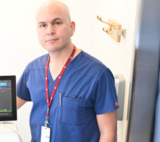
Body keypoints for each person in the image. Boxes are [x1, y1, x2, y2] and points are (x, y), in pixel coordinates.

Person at [16, 0, 119, 142]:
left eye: (57, 23)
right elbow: (7, 106)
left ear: (72, 28)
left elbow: (109, 134)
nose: (49, 31)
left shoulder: (98, 74)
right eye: (43, 25)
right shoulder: (33, 69)